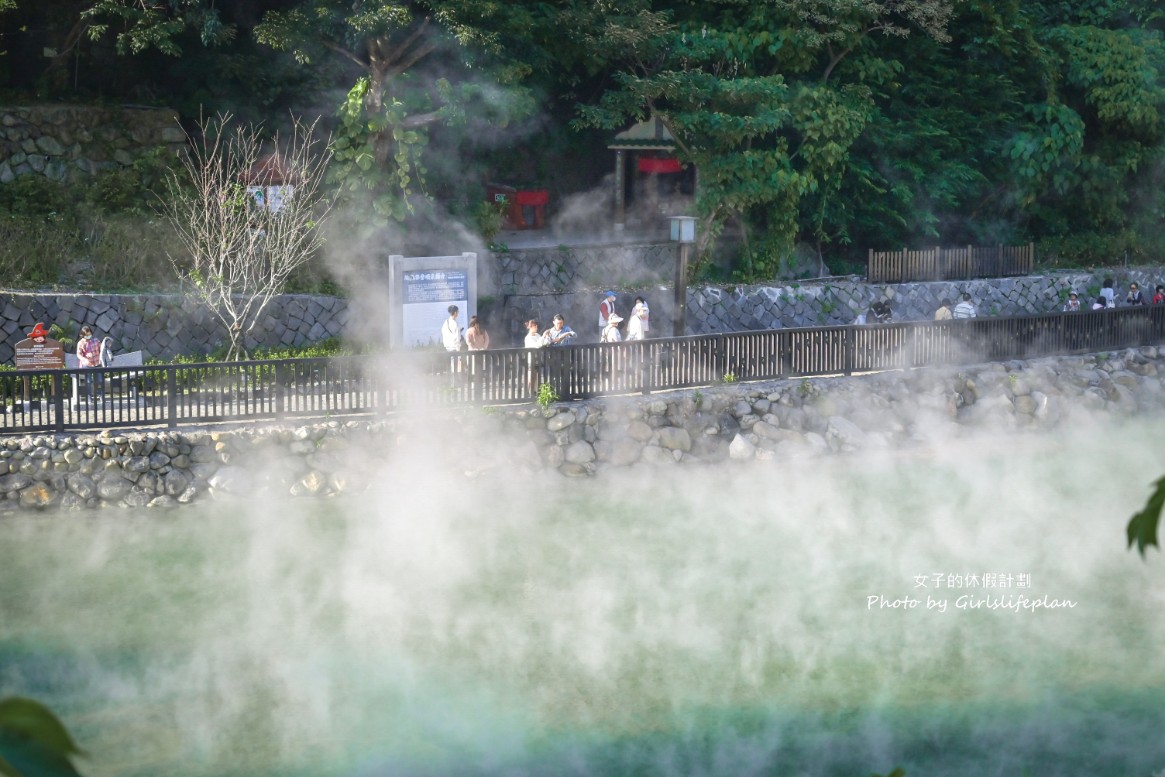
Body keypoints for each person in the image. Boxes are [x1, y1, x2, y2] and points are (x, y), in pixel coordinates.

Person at [76, 325, 102, 403]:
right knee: (88, 381)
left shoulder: (96, 340)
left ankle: (101, 396)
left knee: (99, 380)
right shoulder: (81, 343)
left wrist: (101, 357)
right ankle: (89, 397)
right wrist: (84, 359)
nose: (88, 336)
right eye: (86, 335)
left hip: (97, 363)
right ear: (83, 335)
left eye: (89, 334)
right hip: (87, 364)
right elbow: (78, 354)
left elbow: (101, 349)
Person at [524, 319, 544, 396]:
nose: (536, 328)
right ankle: (526, 391)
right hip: (530, 359)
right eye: (535, 326)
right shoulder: (528, 337)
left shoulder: (538, 335)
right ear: (531, 327)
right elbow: (536, 346)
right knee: (530, 377)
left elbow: (542, 342)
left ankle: (534, 391)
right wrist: (544, 336)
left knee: (536, 376)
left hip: (537, 359)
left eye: (536, 326)